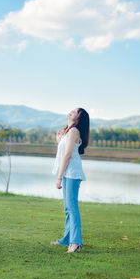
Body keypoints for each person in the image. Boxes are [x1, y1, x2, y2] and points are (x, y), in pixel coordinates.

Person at [51, 107, 90, 253]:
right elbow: (63, 152)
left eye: (76, 112)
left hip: (72, 173)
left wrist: (59, 177)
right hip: (68, 172)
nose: (72, 111)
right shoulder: (68, 131)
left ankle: (76, 242)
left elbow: (68, 155)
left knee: (72, 208)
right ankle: (67, 239)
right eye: (73, 109)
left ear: (79, 119)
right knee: (68, 208)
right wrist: (59, 140)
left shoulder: (74, 131)